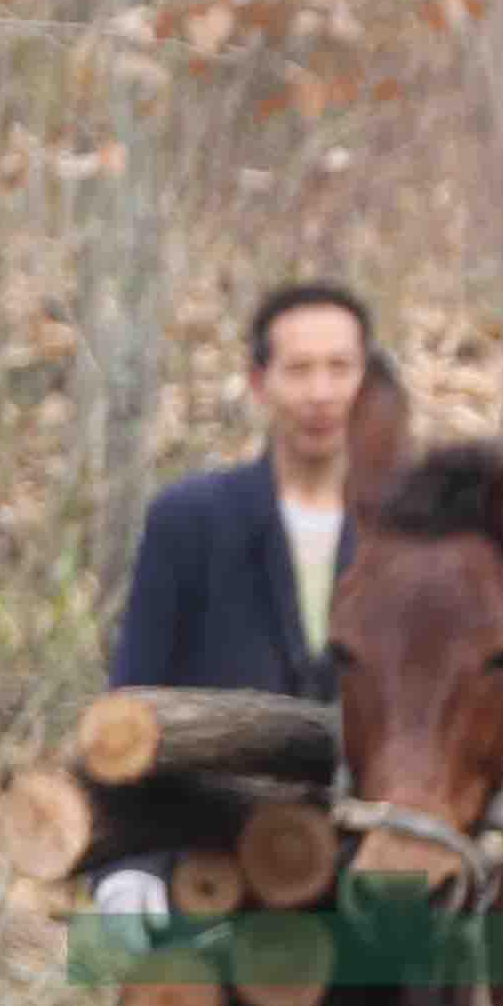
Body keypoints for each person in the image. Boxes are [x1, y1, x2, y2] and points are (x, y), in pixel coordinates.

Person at [109, 279, 385, 708]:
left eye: (340, 368)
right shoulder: (189, 520)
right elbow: (132, 699)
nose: (320, 394)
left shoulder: (405, 530)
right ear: (259, 382)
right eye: (298, 370)